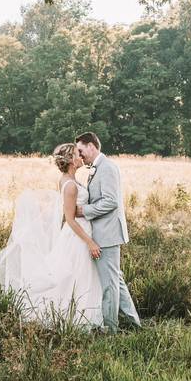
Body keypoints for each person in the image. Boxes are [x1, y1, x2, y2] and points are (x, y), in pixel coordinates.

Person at [0, 142, 103, 328]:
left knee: (75, 275)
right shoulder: (71, 186)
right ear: (71, 161)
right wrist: (90, 242)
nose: (81, 156)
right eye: (77, 154)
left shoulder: (67, 179)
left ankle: (79, 312)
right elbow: (70, 219)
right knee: (76, 276)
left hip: (78, 232)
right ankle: (77, 316)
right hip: (77, 236)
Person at [74, 131, 142, 332]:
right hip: (103, 232)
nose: (79, 155)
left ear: (91, 146)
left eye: (80, 150)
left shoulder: (108, 167)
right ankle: (133, 322)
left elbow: (111, 201)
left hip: (108, 234)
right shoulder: (97, 168)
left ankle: (111, 329)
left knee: (110, 284)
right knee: (116, 280)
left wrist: (84, 211)